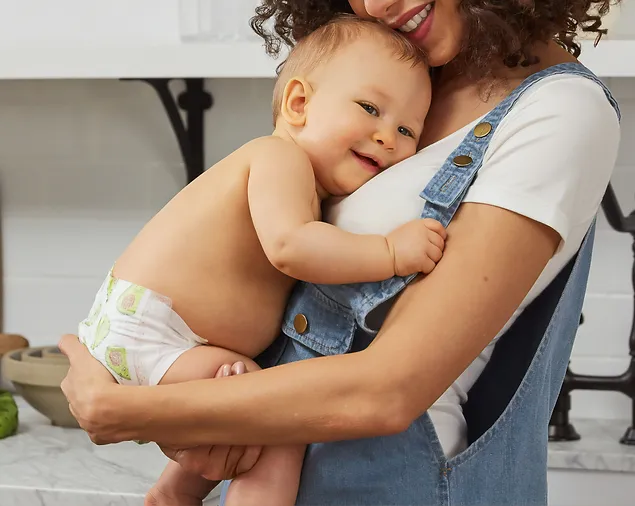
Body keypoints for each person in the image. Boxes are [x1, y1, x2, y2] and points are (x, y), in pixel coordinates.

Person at [59, 1, 622, 505]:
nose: (377, 4)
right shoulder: (388, 78)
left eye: (404, 129)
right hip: (275, 463)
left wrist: (128, 411)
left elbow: (390, 391)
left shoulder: (560, 112)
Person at [76, 16, 439, 506]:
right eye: (370, 108)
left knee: (246, 421)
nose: (386, 137)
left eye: (406, 129)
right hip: (154, 329)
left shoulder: (306, 181)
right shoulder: (278, 159)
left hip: (157, 330)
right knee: (279, 425)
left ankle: (171, 496)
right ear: (299, 103)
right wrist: (391, 252)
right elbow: (291, 248)